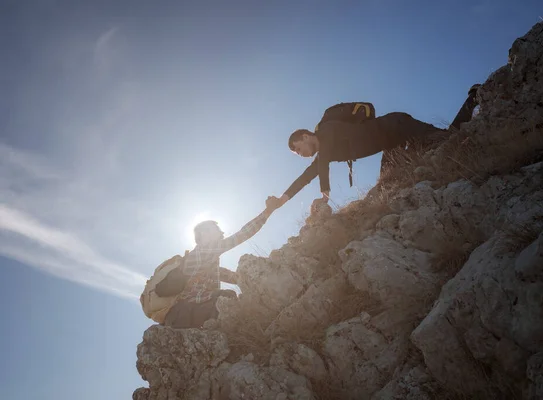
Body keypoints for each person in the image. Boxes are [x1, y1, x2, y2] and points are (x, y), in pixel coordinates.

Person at [268, 84, 481, 209]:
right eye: (296, 154)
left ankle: (475, 97)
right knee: (386, 187)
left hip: (398, 125)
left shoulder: (328, 127)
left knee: (448, 140)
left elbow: (322, 163)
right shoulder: (326, 153)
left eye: (298, 149)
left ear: (306, 136)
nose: (300, 154)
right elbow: (305, 177)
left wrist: (325, 191)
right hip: (393, 144)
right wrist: (281, 200)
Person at [154, 199, 277, 329]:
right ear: (204, 234)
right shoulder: (204, 250)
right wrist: (268, 211)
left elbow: (227, 275)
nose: (222, 233)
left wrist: (251, 279)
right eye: (217, 230)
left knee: (225, 298)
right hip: (185, 313)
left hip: (185, 314)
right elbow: (241, 235)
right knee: (226, 298)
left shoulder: (203, 259)